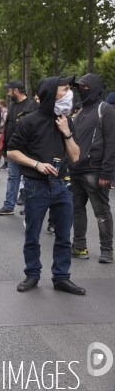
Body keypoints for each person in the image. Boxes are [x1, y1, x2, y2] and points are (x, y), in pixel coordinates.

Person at [8, 75, 86, 295]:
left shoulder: (66, 120)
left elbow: (75, 156)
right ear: (51, 94)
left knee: (63, 235)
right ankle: (32, 274)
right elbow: (12, 151)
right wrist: (36, 164)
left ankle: (61, 277)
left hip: (62, 185)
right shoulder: (29, 121)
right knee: (32, 234)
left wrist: (67, 133)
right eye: (65, 89)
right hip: (36, 186)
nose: (69, 94)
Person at [70, 74, 115, 263]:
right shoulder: (80, 111)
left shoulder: (106, 110)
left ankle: (107, 250)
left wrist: (106, 172)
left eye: (84, 86)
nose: (80, 89)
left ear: (94, 87)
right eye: (78, 86)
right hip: (76, 170)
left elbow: (112, 143)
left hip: (95, 170)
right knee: (77, 210)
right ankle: (80, 246)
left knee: (101, 211)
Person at [0, 80, 38, 215]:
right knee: (13, 177)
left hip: (26, 149)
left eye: (9, 90)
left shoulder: (32, 105)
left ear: (16, 90)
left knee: (29, 178)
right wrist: (6, 148)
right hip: (13, 149)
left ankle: (29, 206)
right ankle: (9, 205)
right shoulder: (13, 105)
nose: (7, 93)